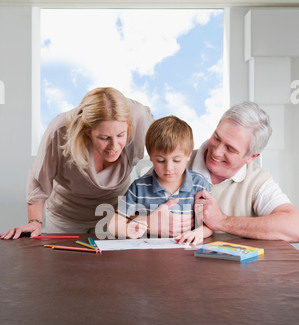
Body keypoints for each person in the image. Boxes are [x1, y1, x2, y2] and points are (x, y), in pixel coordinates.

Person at [1, 87, 154, 239]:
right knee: (67, 262)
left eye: (121, 135)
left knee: (112, 263)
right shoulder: (60, 130)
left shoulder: (139, 118)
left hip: (115, 214)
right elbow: (39, 178)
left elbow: (169, 155)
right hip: (67, 215)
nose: (114, 146)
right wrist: (35, 221)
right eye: (104, 138)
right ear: (87, 131)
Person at [190, 102, 299, 242]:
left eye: (230, 149)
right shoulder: (174, 162)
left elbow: (295, 227)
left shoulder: (257, 180)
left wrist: (223, 221)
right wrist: (151, 224)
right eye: (217, 138)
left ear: (251, 157)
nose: (216, 152)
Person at [109, 116, 213, 244]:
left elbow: (211, 225)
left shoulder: (199, 185)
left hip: (187, 254)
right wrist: (134, 227)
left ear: (188, 155)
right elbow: (113, 225)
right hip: (149, 255)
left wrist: (198, 233)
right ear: (151, 156)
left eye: (176, 160)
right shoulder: (139, 187)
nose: (168, 168)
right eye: (161, 160)